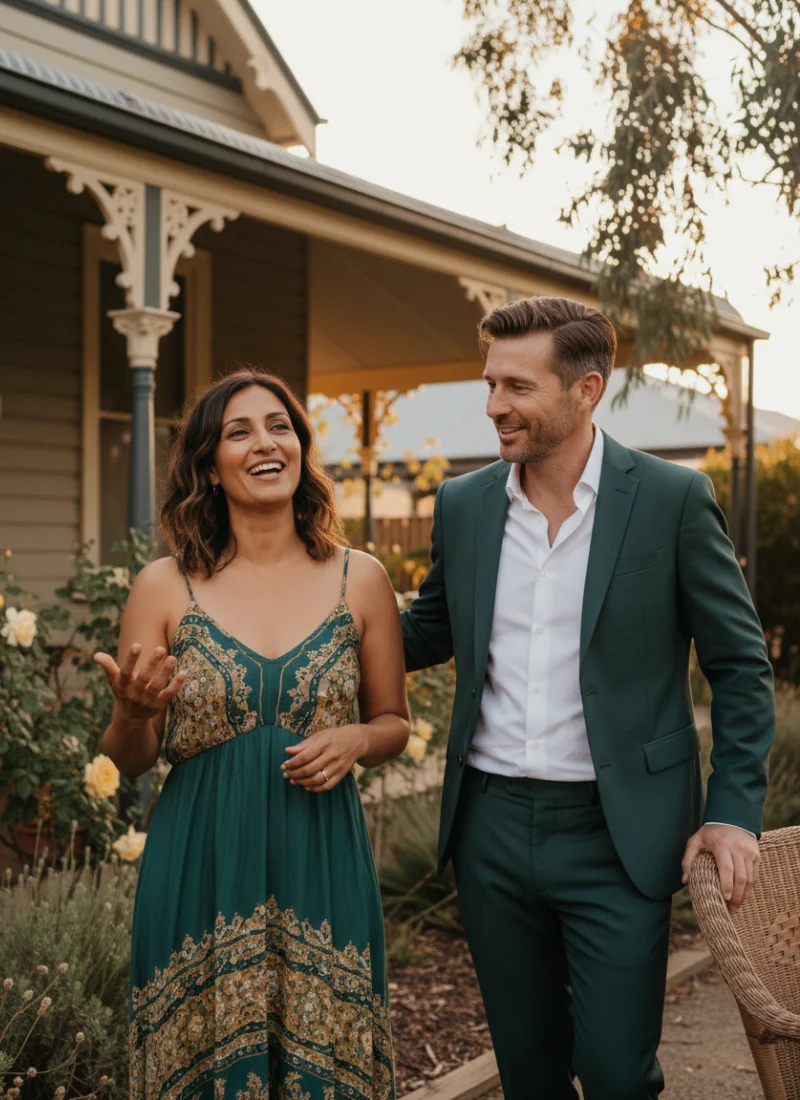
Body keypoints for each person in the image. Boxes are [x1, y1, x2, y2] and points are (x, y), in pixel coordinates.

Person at [401, 297, 775, 1100]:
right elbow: (426, 631)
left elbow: (741, 665)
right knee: (529, 1075)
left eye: (517, 387)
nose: (495, 405)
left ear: (586, 390)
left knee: (614, 1074)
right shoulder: (465, 506)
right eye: (490, 383)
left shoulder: (673, 500)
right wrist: (304, 619)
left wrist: (733, 810)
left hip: (619, 832)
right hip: (491, 827)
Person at [95, 368, 408, 1100]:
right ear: (209, 464)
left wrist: (358, 740)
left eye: (279, 426)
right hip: (198, 863)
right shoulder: (164, 586)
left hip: (323, 861)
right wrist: (133, 713)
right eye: (239, 431)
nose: (265, 443)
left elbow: (393, 721)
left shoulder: (360, 579)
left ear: (300, 446)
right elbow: (131, 757)